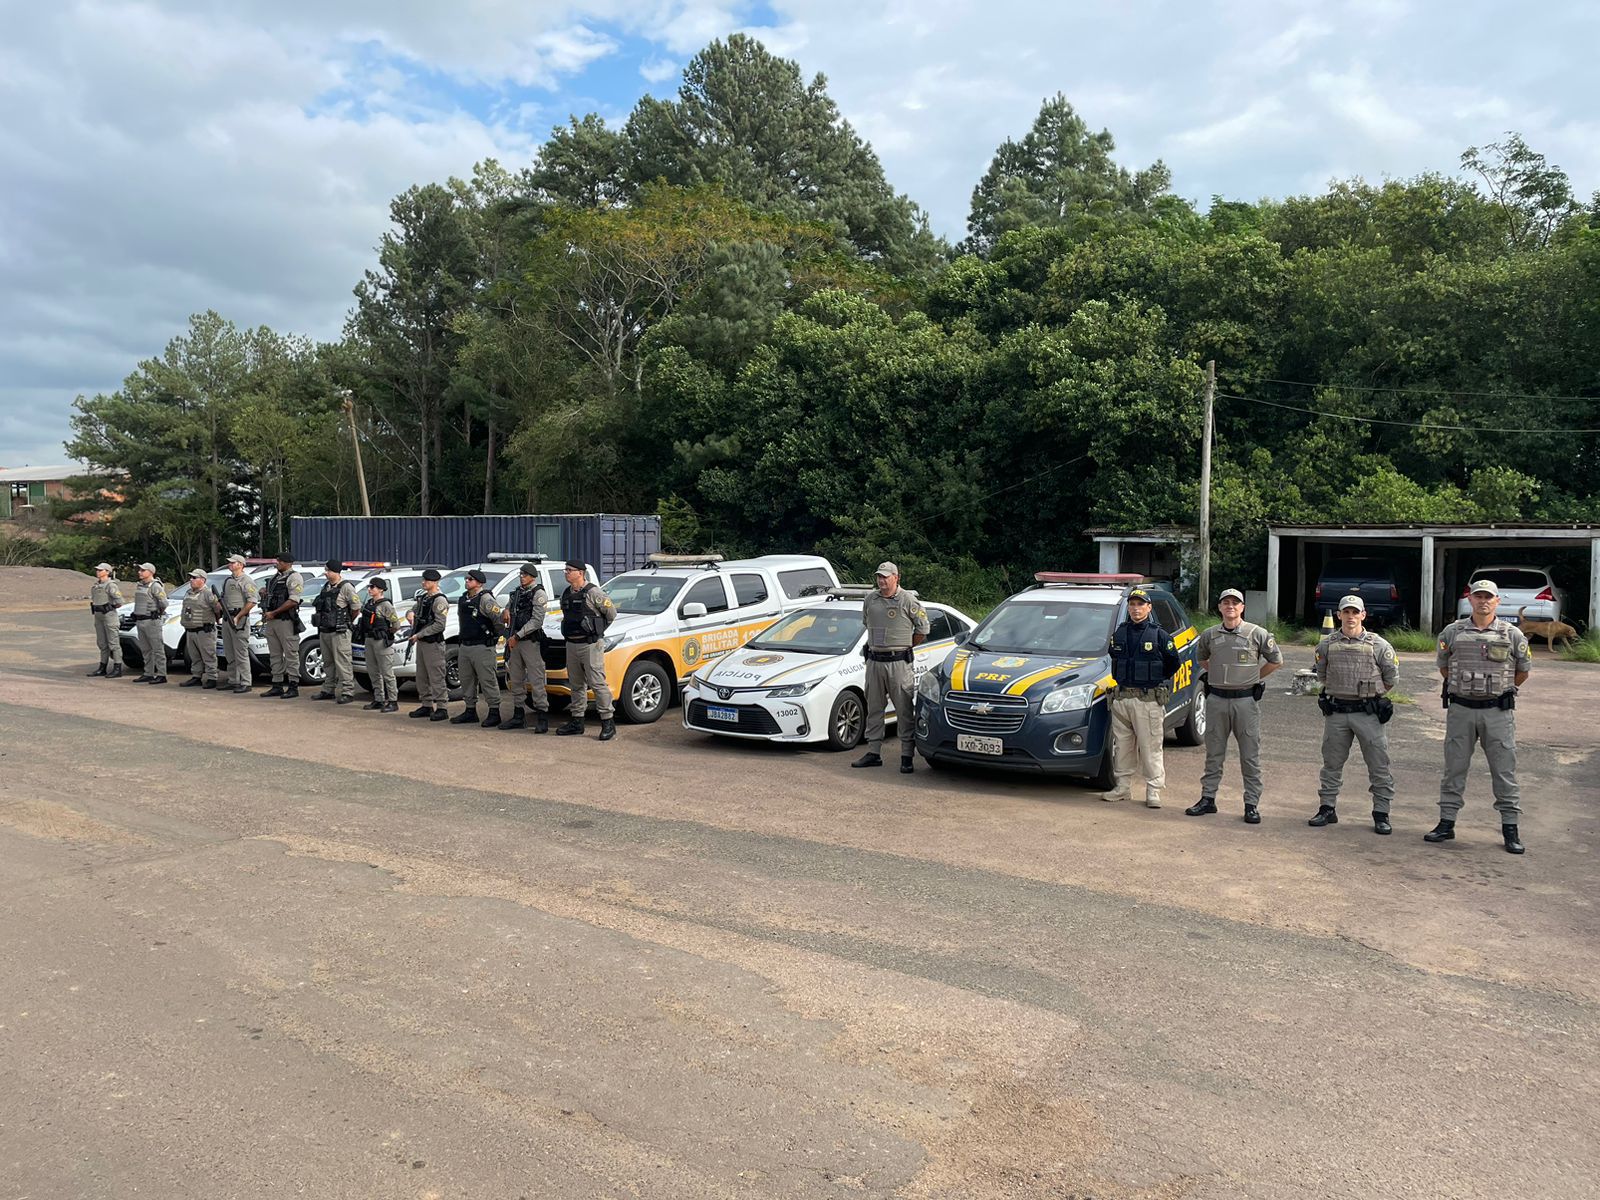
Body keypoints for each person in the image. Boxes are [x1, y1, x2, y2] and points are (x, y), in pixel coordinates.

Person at [1429, 578, 1533, 854]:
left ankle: (1510, 829)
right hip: (1461, 710)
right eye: (1478, 596)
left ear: (1497, 601)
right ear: (1470, 600)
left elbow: (1522, 671)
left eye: (1489, 597)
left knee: (1504, 772)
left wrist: (1499, 691)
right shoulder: (1451, 632)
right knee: (1454, 768)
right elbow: (1444, 667)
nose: (1483, 601)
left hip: (1497, 712)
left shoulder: (1512, 635)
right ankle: (1446, 823)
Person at [1186, 588, 1283, 823]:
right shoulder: (1209, 635)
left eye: (1235, 603)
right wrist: (1219, 674)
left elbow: (1276, 661)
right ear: (1219, 607)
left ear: (1242, 607)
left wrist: (1254, 678)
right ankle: (1208, 799)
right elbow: (1202, 659)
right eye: (1226, 603)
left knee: (1249, 755)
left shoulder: (1257, 634)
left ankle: (1251, 804)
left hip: (1245, 702)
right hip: (1217, 700)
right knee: (1214, 754)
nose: (1230, 606)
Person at [1308, 596, 1399, 834]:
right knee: (1331, 763)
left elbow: (1391, 678)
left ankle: (1381, 813)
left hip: (1367, 714)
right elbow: (1322, 675)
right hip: (1337, 712)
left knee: (1379, 764)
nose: (1350, 617)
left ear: (1363, 615)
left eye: (1354, 612)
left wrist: (1372, 695)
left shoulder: (1378, 645)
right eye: (1346, 612)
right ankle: (1327, 808)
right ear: (1339, 615)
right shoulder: (1326, 644)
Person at [1103, 587, 1182, 807]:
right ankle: (1123, 787)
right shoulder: (1119, 633)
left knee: (1151, 748)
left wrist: (1153, 680)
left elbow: (1173, 663)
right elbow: (1114, 657)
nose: (1136, 609)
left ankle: (1154, 790)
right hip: (1122, 699)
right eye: (1132, 605)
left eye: (1140, 604)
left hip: (1147, 701)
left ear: (1149, 607)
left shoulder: (1159, 635)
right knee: (1123, 747)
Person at [852, 562, 930, 773]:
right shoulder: (870, 599)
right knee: (874, 708)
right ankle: (873, 752)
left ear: (897, 577)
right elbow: (867, 624)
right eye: (879, 576)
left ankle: (906, 756)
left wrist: (905, 646)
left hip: (898, 663)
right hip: (875, 661)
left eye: (886, 577)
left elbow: (923, 628)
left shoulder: (908, 600)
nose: (881, 580)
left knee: (904, 709)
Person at [556, 560, 617, 740]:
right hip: (572, 644)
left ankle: (608, 722)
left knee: (597, 683)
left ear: (580, 573)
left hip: (590, 645)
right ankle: (577, 721)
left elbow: (611, 614)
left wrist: (597, 630)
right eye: (565, 570)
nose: (566, 573)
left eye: (569, 570)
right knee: (576, 685)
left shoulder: (593, 592)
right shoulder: (567, 593)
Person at [451, 568, 504, 727]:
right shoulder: (463, 599)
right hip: (466, 646)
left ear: (479, 583)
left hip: (482, 647)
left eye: (470, 579)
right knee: (467, 680)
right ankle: (470, 711)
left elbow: (498, 621)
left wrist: (494, 638)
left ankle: (494, 712)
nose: (467, 581)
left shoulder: (486, 599)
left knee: (488, 680)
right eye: (466, 579)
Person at [502, 563, 550, 733]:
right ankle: (518, 715)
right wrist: (506, 610)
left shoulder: (538, 594)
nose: (522, 577)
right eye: (520, 574)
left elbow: (537, 621)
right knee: (516, 680)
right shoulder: (517, 593)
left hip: (530, 641)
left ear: (532, 576)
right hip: (515, 641)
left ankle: (542, 716)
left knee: (536, 680)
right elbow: (511, 607)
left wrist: (517, 636)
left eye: (525, 574)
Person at [311, 560, 361, 704]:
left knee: (343, 662)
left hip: (339, 631)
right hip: (325, 630)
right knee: (327, 662)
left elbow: (356, 607)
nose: (326, 573)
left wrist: (346, 621)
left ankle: (348, 691)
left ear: (336, 572)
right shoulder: (326, 586)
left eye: (328, 571)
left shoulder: (346, 587)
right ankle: (328, 689)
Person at [408, 569, 452, 722]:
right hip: (422, 643)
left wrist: (419, 635)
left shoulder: (440, 601)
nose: (423, 583)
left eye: (426, 581)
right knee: (422, 676)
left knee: (436, 676)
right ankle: (426, 705)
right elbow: (414, 610)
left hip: (433, 643)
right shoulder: (424, 598)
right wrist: (410, 614)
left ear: (435, 582)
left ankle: (442, 708)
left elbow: (440, 625)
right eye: (423, 580)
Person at [259, 553, 304, 699]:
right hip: (272, 621)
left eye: (280, 561)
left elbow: (293, 600)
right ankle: (277, 684)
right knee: (275, 654)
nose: (277, 563)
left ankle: (293, 686)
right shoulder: (275, 578)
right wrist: (264, 594)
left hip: (285, 621)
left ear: (288, 563)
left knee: (291, 654)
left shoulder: (294, 577)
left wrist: (275, 612)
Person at [357, 578, 402, 713]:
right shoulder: (370, 603)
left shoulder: (386, 605)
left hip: (381, 641)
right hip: (369, 639)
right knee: (373, 671)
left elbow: (396, 624)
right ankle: (379, 699)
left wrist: (386, 633)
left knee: (387, 672)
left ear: (381, 590)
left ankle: (393, 701)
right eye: (369, 587)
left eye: (373, 587)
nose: (370, 589)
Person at [219, 554, 259, 693]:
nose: (230, 564)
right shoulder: (228, 580)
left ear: (240, 564)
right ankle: (233, 680)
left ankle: (246, 682)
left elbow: (252, 601)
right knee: (229, 652)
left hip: (239, 620)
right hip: (227, 618)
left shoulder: (246, 581)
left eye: (233, 563)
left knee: (241, 653)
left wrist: (239, 616)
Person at [178, 568, 223, 689]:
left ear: (202, 580)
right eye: (190, 578)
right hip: (190, 630)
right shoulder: (188, 592)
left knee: (209, 656)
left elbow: (217, 609)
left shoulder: (208, 593)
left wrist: (214, 620)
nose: (191, 580)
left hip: (204, 630)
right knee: (194, 656)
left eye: (194, 578)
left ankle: (212, 678)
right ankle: (196, 676)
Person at [130, 562, 169, 685]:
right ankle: (148, 673)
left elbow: (164, 603)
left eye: (143, 570)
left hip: (152, 621)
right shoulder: (140, 586)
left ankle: (162, 674)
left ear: (150, 572)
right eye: (140, 570)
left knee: (157, 649)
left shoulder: (155, 586)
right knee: (146, 649)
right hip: (141, 621)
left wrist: (156, 613)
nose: (140, 572)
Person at [86, 562, 124, 677]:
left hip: (109, 616)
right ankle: (102, 667)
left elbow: (119, 601)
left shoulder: (110, 585)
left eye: (101, 570)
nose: (98, 572)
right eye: (97, 570)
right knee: (102, 643)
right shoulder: (96, 586)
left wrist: (110, 607)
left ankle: (117, 667)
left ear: (107, 572)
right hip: (98, 616)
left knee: (113, 643)